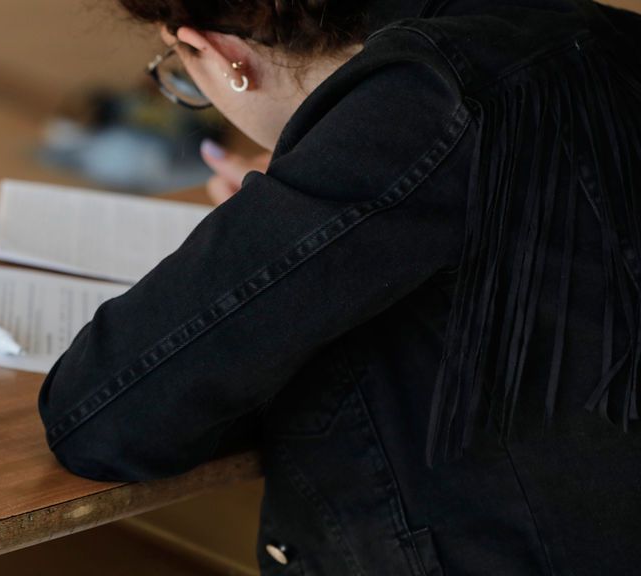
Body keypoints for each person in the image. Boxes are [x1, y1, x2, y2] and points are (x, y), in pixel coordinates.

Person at [39, 0, 641, 573]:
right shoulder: (597, 32)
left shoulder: (424, 97)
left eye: (181, 74)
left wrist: (279, 217)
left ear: (220, 55)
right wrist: (305, 196)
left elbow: (99, 416)